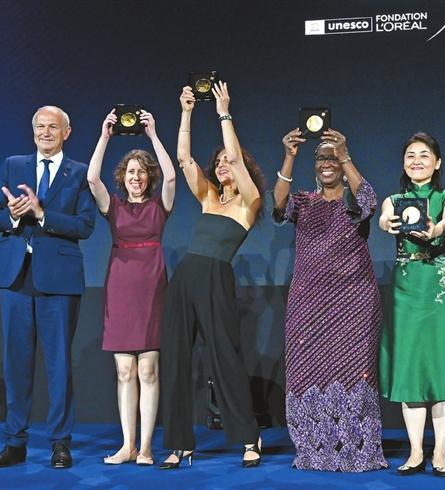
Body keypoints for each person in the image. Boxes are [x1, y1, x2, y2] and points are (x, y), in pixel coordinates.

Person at [159, 81, 265, 469]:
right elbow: (184, 159)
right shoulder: (208, 197)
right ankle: (179, 444)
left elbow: (235, 157)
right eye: (217, 162)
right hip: (185, 277)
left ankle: (249, 438)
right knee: (175, 359)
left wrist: (223, 112)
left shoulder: (249, 203)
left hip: (215, 279)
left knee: (225, 358)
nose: (222, 165)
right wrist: (186, 111)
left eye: (227, 161)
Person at [0, 106, 97, 468]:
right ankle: (14, 443)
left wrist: (43, 214)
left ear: (67, 132)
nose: (45, 132)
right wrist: (14, 215)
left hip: (59, 279)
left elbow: (85, 225)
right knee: (16, 364)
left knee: (58, 365)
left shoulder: (79, 172)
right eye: (40, 127)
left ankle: (60, 443)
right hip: (15, 278)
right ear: (33, 131)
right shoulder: (12, 165)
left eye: (53, 127)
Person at [273, 128, 388, 472]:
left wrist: (344, 153)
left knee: (353, 373)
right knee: (306, 371)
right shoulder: (303, 202)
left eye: (332, 158)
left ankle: (356, 449)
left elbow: (370, 200)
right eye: (321, 158)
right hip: (308, 302)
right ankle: (314, 449)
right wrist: (289, 156)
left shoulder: (354, 203)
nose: (327, 163)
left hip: (354, 301)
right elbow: (278, 203)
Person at [378, 131, 445, 477]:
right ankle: (415, 451)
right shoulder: (393, 199)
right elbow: (384, 219)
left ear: (437, 162)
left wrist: (435, 229)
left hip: (440, 287)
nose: (417, 161)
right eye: (410, 155)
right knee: (410, 367)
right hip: (406, 288)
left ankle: (440, 450)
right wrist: (386, 222)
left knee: (441, 367)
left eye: (424, 155)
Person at [86, 109, 176, 466]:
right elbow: (92, 178)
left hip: (152, 288)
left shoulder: (159, 206)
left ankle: (148, 447)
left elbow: (172, 175)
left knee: (148, 370)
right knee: (124, 371)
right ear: (122, 178)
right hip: (120, 289)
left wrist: (153, 135)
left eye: (141, 172)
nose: (136, 177)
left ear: (148, 177)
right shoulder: (114, 207)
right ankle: (128, 445)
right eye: (130, 172)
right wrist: (105, 136)